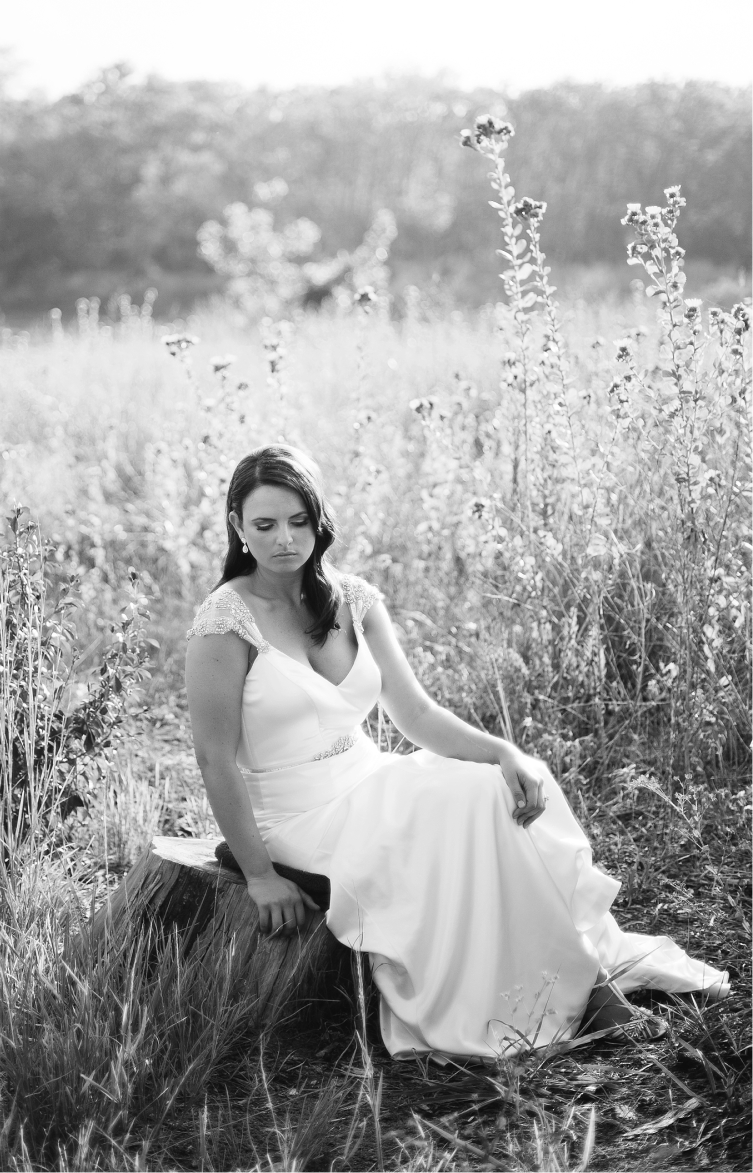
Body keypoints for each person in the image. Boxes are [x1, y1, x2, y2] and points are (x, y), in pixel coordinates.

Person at [184, 444, 729, 1059]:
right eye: (264, 525)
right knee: (450, 807)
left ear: (318, 518)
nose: (285, 539)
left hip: (368, 782)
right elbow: (214, 758)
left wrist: (503, 752)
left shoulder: (352, 599)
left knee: (487, 788)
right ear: (237, 527)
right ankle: (589, 996)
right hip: (294, 815)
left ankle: (577, 979)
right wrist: (258, 875)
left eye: (298, 521)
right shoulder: (225, 623)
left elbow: (415, 715)